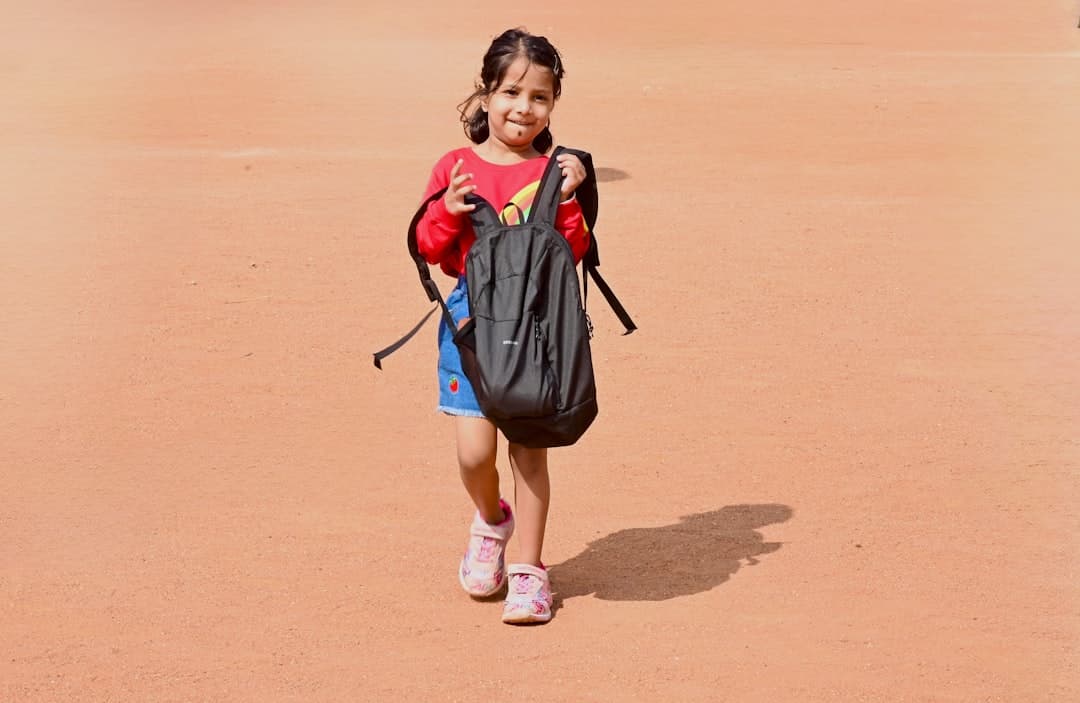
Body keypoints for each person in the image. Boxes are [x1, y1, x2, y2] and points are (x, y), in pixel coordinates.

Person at [413, 28, 590, 624]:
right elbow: (431, 248)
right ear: (486, 94)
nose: (524, 108)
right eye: (512, 92)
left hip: (539, 326)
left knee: (532, 452)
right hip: (472, 324)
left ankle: (530, 573)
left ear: (552, 106)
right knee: (472, 452)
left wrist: (567, 200)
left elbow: (574, 253)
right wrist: (447, 210)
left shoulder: (553, 172)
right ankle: (492, 520)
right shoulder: (456, 167)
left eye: (540, 98)